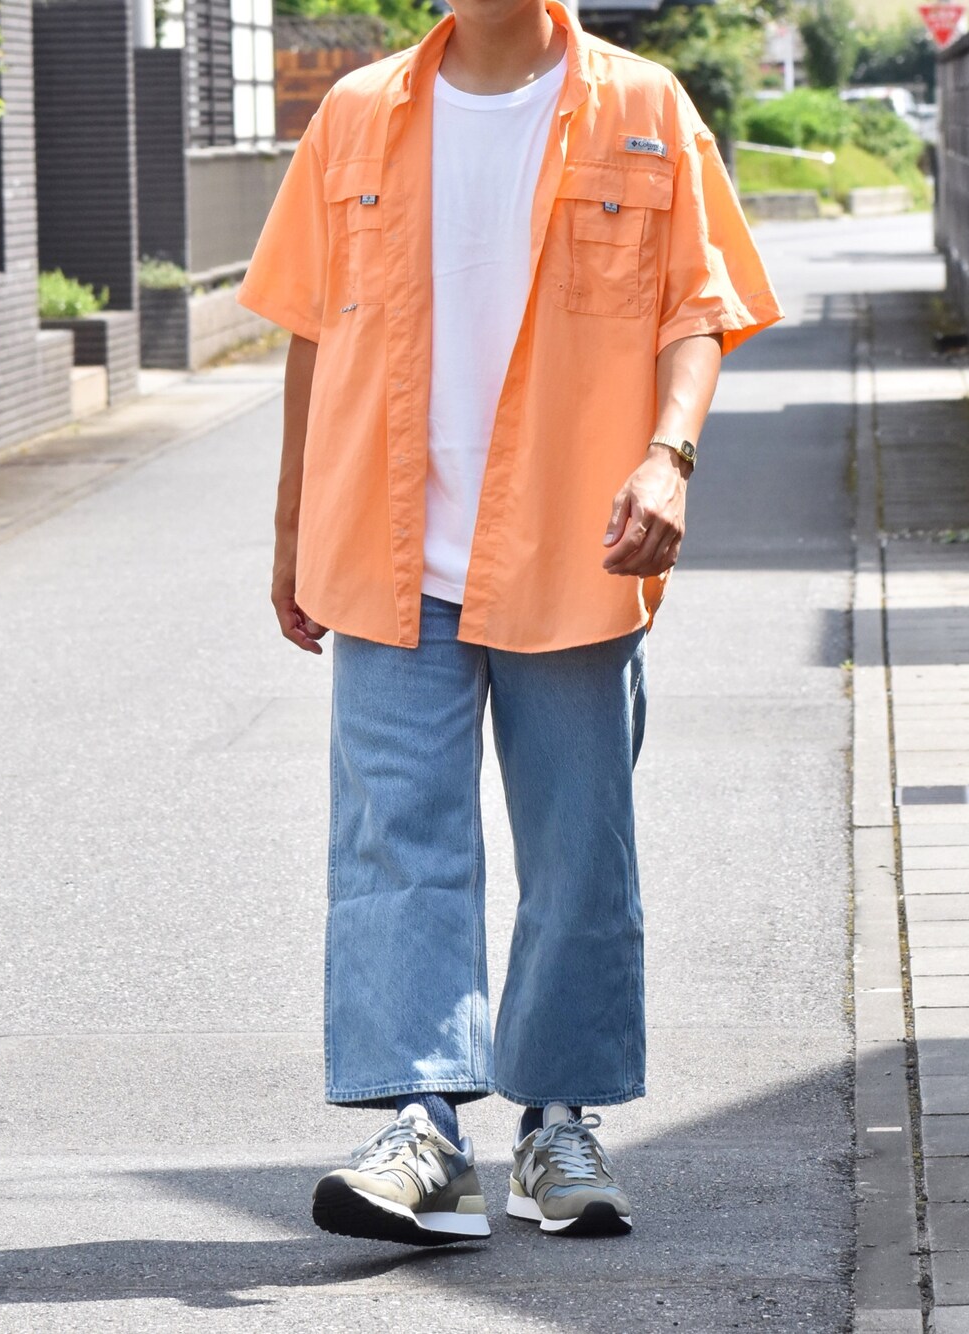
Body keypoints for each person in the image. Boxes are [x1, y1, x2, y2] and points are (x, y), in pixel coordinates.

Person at [236, 0, 782, 1246]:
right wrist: (290, 531)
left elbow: (696, 309)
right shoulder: (357, 114)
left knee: (580, 853)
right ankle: (423, 1128)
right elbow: (313, 332)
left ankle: (556, 1121)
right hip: (385, 551)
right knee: (396, 847)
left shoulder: (643, 106)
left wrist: (668, 456)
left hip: (575, 546)